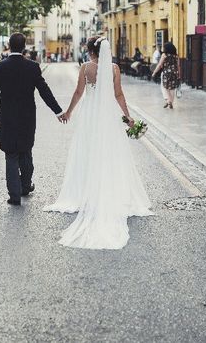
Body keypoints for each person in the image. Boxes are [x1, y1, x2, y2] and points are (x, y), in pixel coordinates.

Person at [44, 36, 154, 250]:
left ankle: (85, 192)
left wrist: (68, 112)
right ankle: (112, 190)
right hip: (108, 115)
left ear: (90, 51)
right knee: (111, 154)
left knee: (87, 151)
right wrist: (127, 117)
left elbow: (78, 92)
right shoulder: (113, 68)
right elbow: (119, 94)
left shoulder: (85, 68)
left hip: (90, 115)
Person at [0, 33, 64, 206]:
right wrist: (58, 111)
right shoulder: (33, 67)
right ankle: (25, 186)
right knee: (26, 150)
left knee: (11, 154)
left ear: (9, 45)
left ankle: (14, 196)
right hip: (27, 116)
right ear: (24, 47)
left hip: (7, 116)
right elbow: (44, 91)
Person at [151, 42, 181, 109]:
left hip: (166, 73)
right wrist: (179, 75)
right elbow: (178, 66)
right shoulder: (176, 56)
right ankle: (170, 102)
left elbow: (159, 65)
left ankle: (169, 101)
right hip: (175, 73)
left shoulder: (164, 55)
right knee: (172, 88)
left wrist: (154, 72)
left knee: (165, 87)